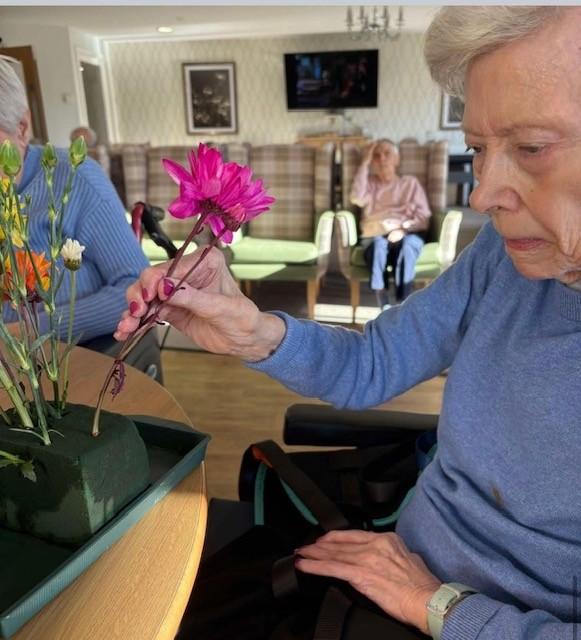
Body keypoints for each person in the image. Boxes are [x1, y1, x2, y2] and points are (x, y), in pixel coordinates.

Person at [117, 6, 581, 639]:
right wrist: (254, 330)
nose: (481, 194)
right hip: (394, 559)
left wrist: (436, 603)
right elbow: (374, 361)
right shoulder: (502, 258)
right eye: (478, 149)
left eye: (530, 147)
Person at [0, 59, 149, 342]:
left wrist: (28, 332)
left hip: (79, 358)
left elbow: (138, 288)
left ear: (21, 128)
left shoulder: (76, 178)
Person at [351, 139, 432, 306]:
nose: (381, 159)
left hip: (406, 232)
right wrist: (364, 163)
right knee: (377, 246)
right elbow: (356, 198)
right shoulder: (370, 184)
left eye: (387, 153)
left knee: (408, 246)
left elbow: (423, 217)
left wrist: (403, 230)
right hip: (375, 234)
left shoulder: (410, 183)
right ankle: (383, 302)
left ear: (397, 159)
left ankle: (402, 303)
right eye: (376, 155)